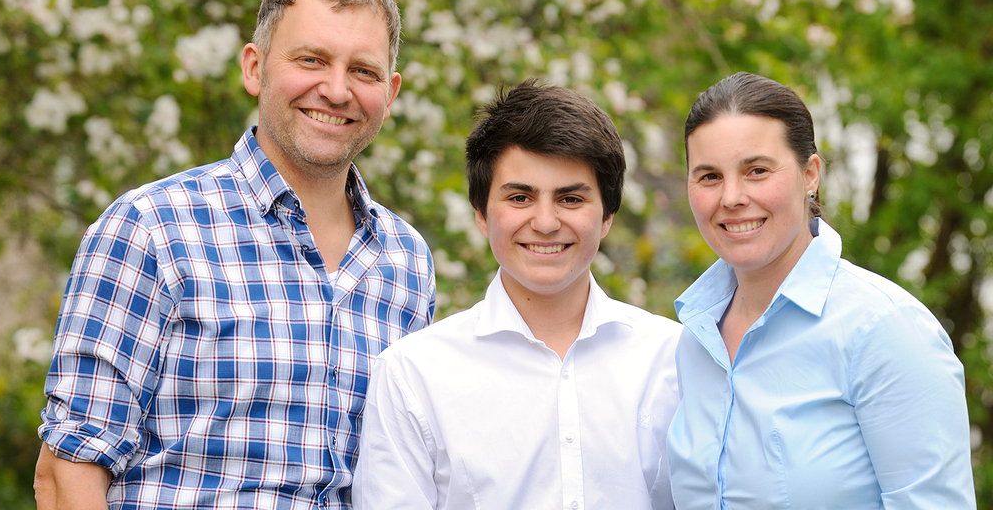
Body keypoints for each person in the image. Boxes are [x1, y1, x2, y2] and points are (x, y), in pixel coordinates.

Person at [33, 0, 435, 509]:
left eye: (362, 71)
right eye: (311, 60)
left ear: (389, 94)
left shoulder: (407, 262)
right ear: (255, 68)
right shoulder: (151, 229)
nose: (336, 89)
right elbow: (66, 474)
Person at [352, 79, 682, 510]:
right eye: (520, 197)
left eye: (570, 198)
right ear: (481, 214)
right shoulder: (413, 375)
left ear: (607, 216)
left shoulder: (675, 359)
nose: (545, 222)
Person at [666, 72, 975, 509]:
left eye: (757, 170)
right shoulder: (697, 338)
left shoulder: (884, 330)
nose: (731, 197)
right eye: (709, 176)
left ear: (810, 174)